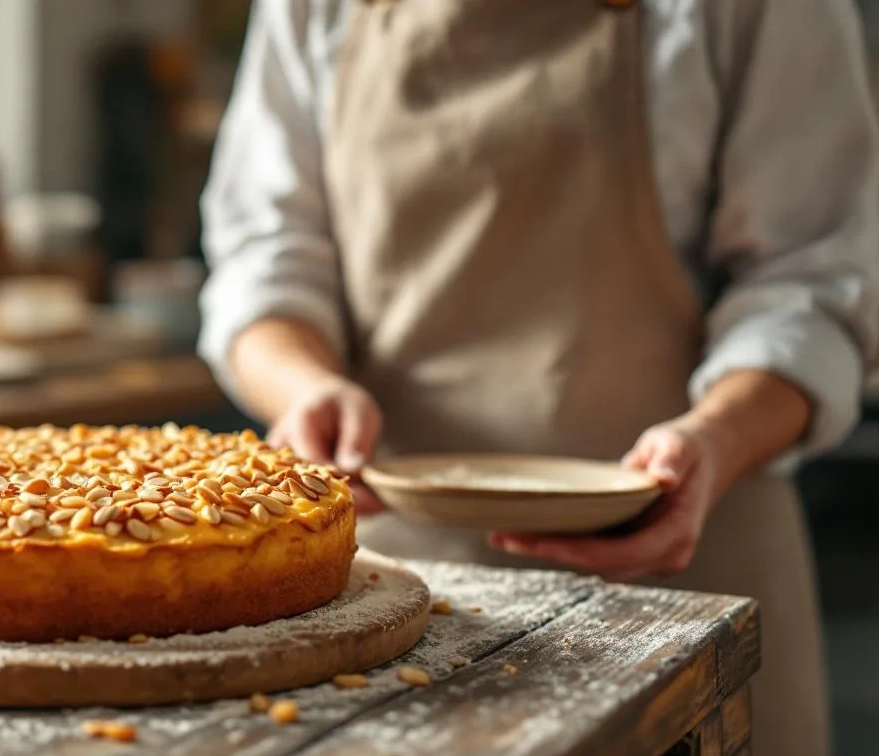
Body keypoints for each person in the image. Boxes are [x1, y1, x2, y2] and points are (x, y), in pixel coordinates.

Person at [197, 1, 879, 754]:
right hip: (388, 589)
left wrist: (714, 440)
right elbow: (265, 258)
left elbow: (811, 284)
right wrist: (303, 390)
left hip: (691, 562)